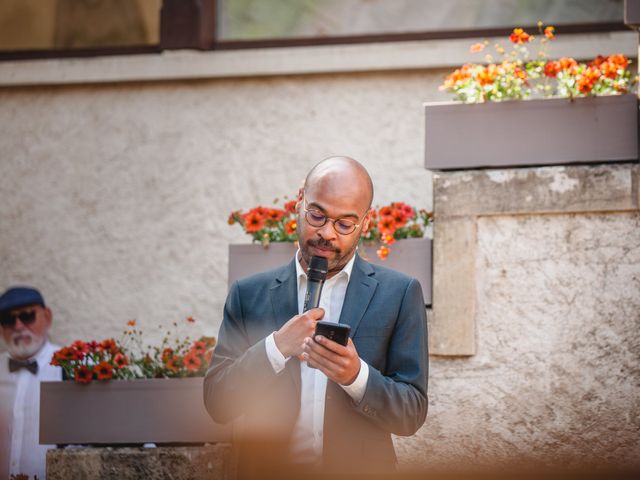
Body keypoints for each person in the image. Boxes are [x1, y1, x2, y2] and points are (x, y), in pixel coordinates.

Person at [204, 156, 428, 476]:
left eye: (344, 224)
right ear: (300, 202)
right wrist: (277, 347)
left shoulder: (400, 293)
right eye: (317, 215)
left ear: (365, 223)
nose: (327, 233)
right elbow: (218, 403)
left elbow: (411, 414)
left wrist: (356, 376)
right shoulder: (247, 294)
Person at [0, 287, 62, 479]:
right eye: (9, 320)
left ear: (47, 316)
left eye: (27, 316)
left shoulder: (74, 366)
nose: (19, 326)